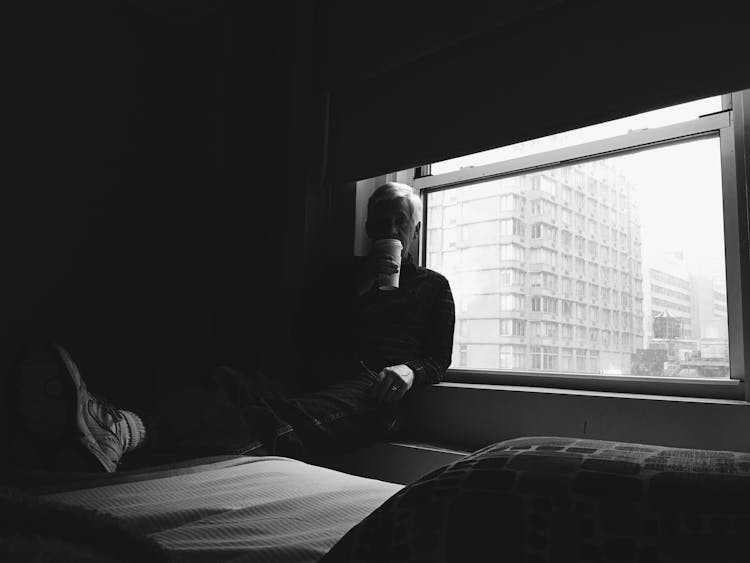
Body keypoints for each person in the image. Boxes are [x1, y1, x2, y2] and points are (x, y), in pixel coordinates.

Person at [8, 182, 455, 472]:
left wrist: (408, 371)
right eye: (380, 221)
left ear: (415, 230)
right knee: (230, 382)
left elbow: (438, 356)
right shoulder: (339, 275)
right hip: (313, 376)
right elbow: (303, 336)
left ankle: (123, 443)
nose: (389, 229)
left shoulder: (433, 287)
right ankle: (123, 427)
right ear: (367, 226)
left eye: (400, 221)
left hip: (375, 388)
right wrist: (356, 292)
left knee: (279, 421)